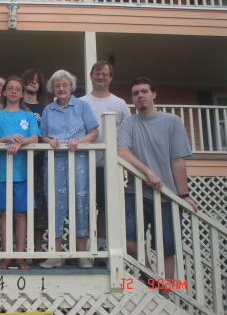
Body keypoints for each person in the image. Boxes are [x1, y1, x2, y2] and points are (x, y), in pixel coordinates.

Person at [117, 77, 198, 297]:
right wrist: (148, 172)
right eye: (135, 93)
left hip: (168, 196)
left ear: (154, 94)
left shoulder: (172, 121)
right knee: (128, 240)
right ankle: (151, 278)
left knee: (166, 250)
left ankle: (165, 298)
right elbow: (121, 151)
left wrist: (184, 195)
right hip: (137, 192)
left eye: (144, 91)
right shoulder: (129, 123)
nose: (140, 96)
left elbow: (178, 160)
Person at [39, 70, 99, 269]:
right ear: (52, 89)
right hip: (55, 161)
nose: (61, 89)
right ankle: (54, 255)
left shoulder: (82, 105)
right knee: (55, 205)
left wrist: (78, 140)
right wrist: (51, 140)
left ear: (71, 87)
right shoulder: (48, 110)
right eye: (57, 86)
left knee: (81, 203)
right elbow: (44, 136)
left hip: (79, 160)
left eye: (65, 85)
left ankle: (81, 255)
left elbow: (93, 132)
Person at [0, 76, 40, 270]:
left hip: (23, 171)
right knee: (6, 213)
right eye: (10, 88)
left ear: (22, 93)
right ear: (5, 92)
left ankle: (20, 256)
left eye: (18, 88)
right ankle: (7, 256)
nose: (14, 91)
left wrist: (19, 142)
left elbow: (35, 137)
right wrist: (6, 138)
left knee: (20, 214)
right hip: (2, 172)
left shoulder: (29, 116)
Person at [80, 61, 131, 262]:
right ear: (91, 75)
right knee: (82, 206)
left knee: (105, 206)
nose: (100, 77)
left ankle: (101, 245)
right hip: (83, 162)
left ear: (111, 78)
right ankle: (81, 249)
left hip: (109, 165)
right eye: (97, 73)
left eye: (104, 74)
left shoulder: (119, 103)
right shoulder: (82, 102)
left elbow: (127, 132)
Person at [21, 68, 47, 263]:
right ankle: (18, 251)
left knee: (39, 209)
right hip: (18, 164)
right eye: (30, 79)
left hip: (40, 166)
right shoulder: (17, 108)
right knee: (18, 210)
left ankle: (38, 251)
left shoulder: (45, 109)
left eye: (37, 80)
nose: (33, 82)